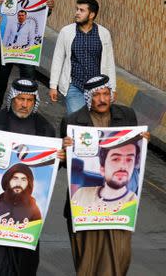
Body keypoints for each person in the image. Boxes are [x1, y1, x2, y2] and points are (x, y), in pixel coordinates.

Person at [60, 74, 150, 276]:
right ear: (87, 98)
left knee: (120, 255)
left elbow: (135, 156)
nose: (102, 99)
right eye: (97, 95)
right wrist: (64, 150)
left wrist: (143, 141)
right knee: (87, 261)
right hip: (85, 206)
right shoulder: (73, 122)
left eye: (106, 94)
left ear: (111, 95)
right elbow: (64, 165)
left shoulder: (127, 116)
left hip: (120, 206)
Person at [0, 78, 61, 276]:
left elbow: (52, 168)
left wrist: (60, 158)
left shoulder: (45, 129)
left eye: (29, 100)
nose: (24, 104)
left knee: (27, 262)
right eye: (20, 99)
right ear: (12, 98)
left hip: (28, 214)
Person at [49, 0, 116, 115]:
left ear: (91, 15)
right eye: (77, 9)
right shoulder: (66, 32)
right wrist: (53, 85)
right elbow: (58, 59)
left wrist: (113, 88)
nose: (77, 13)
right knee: (77, 122)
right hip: (75, 86)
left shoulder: (104, 34)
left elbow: (109, 63)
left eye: (82, 10)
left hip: (98, 89)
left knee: (97, 122)